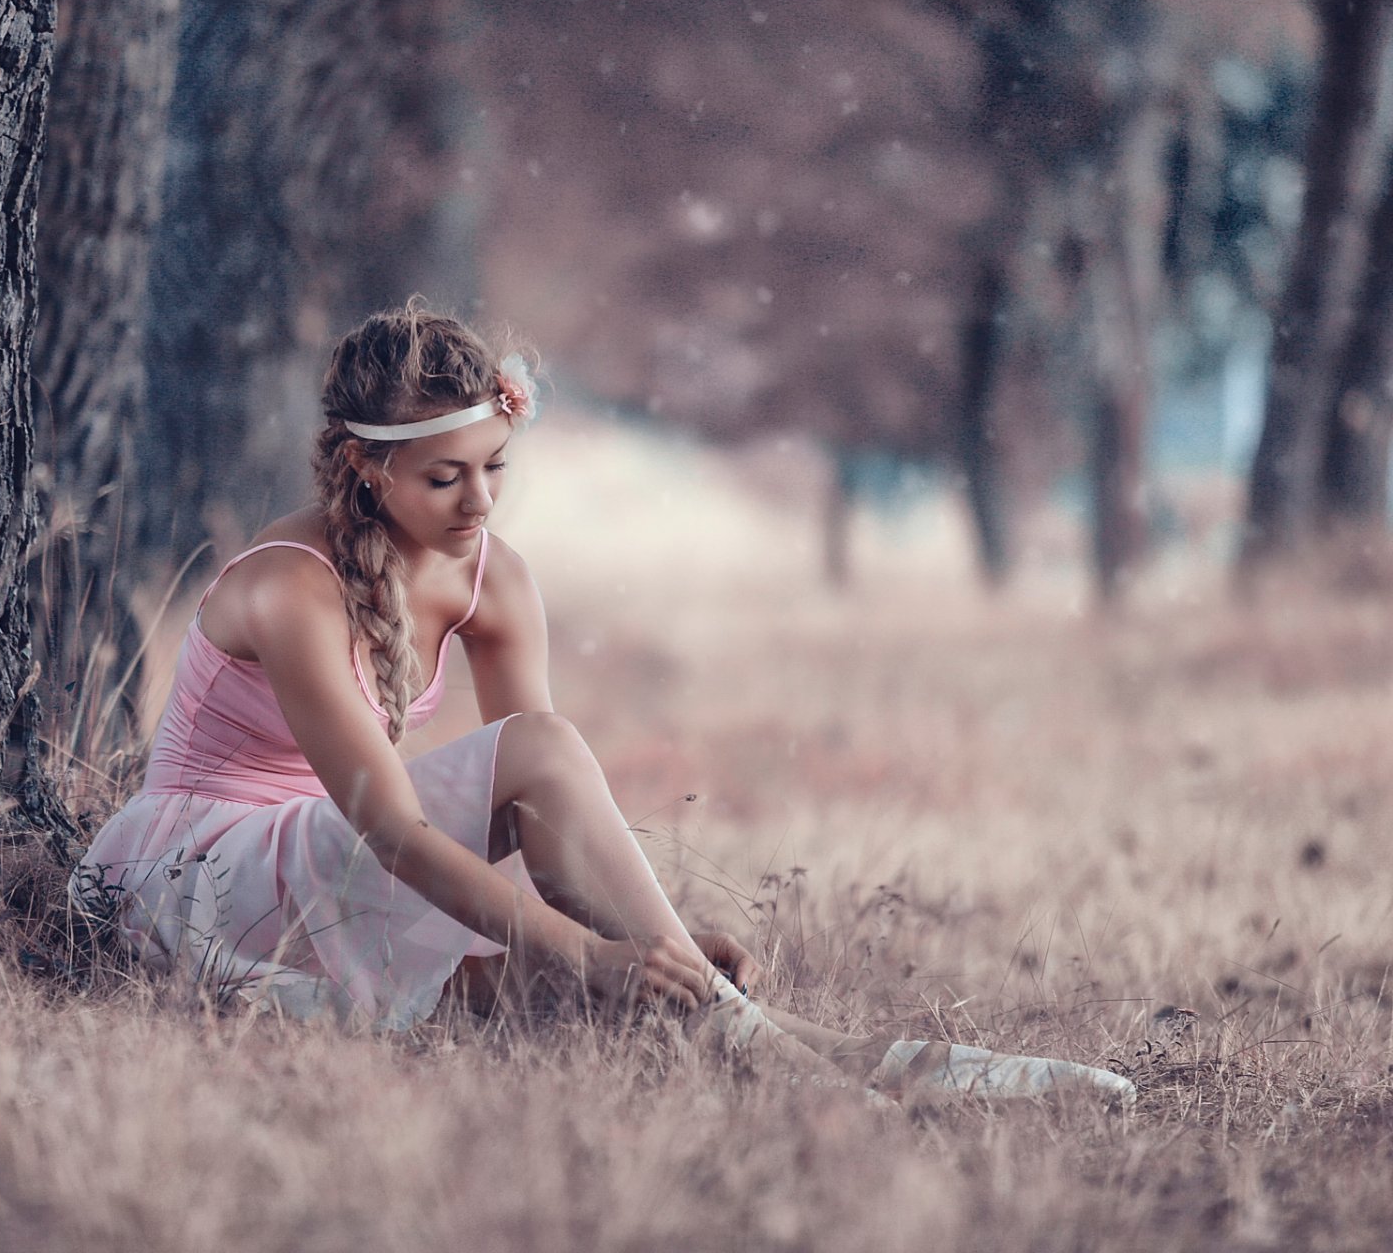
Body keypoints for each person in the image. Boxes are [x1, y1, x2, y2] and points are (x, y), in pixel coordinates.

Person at [70, 302, 1135, 1107]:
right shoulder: (285, 585)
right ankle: (794, 1054)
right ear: (364, 468)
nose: (481, 502)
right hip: (208, 872)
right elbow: (389, 824)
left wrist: (653, 935)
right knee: (569, 958)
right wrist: (583, 948)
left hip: (323, 860)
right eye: (446, 479)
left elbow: (548, 807)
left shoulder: (494, 574)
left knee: (584, 998)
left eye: (493, 467)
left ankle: (857, 1059)